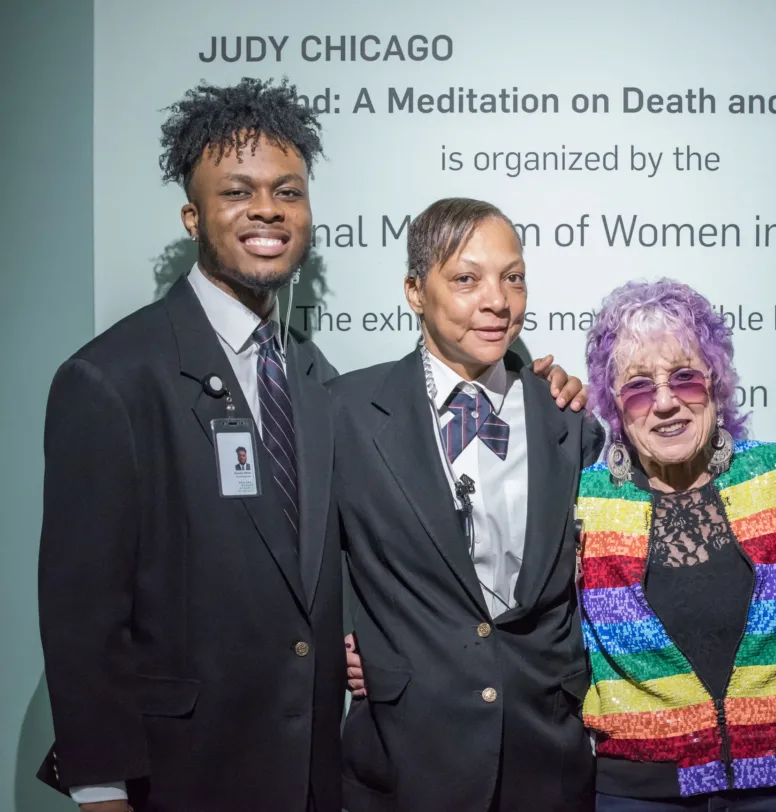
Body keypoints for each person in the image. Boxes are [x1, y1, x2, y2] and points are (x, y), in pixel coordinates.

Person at [37, 81, 584, 812]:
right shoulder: (111, 378)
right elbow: (82, 613)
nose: (267, 209)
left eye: (287, 192)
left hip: (316, 769)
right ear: (192, 216)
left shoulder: (315, 376)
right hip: (186, 770)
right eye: (238, 192)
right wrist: (100, 788)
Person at [334, 198, 597, 812]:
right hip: (405, 760)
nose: (497, 301)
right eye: (465, 279)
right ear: (414, 292)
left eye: (513, 277)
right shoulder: (347, 413)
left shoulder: (569, 422)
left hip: (547, 757)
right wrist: (338, 647)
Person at [576, 279, 776, 811]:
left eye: (685, 379)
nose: (665, 403)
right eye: (639, 386)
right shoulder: (584, 502)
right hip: (643, 793)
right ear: (615, 406)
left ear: (715, 382)